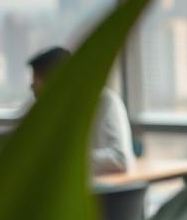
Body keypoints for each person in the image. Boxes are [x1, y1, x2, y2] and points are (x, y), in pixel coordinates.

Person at [29, 46, 135, 174]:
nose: (33, 89)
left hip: (101, 189)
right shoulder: (51, 112)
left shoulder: (105, 101)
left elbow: (119, 159)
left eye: (36, 83)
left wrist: (64, 160)